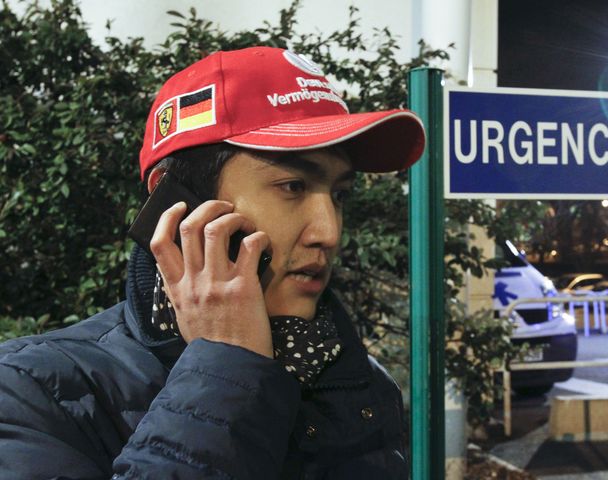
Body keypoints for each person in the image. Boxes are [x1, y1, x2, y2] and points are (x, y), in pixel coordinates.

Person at [0, 47, 425, 478]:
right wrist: (228, 364)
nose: (329, 232)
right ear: (178, 204)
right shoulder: (28, 390)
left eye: (340, 195)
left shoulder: (359, 381)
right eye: (293, 185)